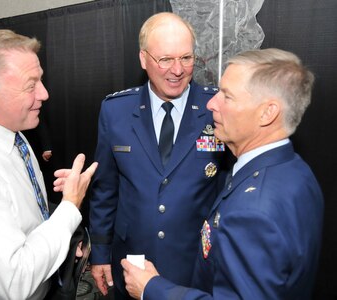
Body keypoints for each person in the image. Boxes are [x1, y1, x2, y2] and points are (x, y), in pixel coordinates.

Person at [121, 48, 324, 300]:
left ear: (267, 112)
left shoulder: (254, 211)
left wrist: (152, 288)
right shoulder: (296, 170)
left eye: (227, 96)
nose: (211, 103)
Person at [0, 29, 98, 299]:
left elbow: (23, 222)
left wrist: (64, 234)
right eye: (30, 85)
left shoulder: (15, 135)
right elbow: (16, 281)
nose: (45, 94)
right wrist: (70, 207)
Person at [89, 12, 227, 299]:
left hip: (194, 263)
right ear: (143, 59)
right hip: (132, 259)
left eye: (186, 58)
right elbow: (105, 189)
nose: (177, 70)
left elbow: (229, 190)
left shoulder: (217, 108)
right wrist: (100, 253)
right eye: (165, 59)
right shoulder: (115, 111)